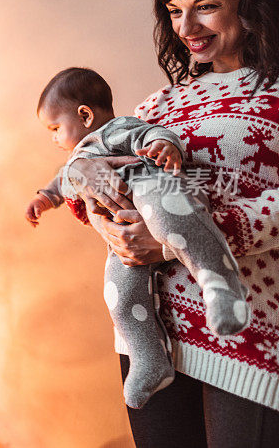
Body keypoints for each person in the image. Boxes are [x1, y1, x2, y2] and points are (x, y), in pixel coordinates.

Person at [66, 0, 279, 447]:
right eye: (173, 10)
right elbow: (113, 180)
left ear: (253, 1)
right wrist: (94, 198)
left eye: (204, 5)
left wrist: (174, 240)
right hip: (149, 337)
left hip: (247, 336)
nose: (186, 26)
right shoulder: (163, 103)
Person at [25, 67, 249, 409]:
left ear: (84, 115)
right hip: (125, 233)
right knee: (119, 292)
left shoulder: (116, 129)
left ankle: (220, 283)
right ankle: (148, 358)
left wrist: (164, 147)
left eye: (55, 128)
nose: (54, 138)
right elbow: (63, 183)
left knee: (168, 213)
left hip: (157, 191)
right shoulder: (77, 159)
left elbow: (153, 135)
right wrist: (44, 198)